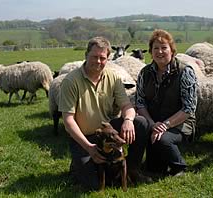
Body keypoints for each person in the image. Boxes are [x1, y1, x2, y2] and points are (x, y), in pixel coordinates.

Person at [58, 36, 151, 190]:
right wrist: (89, 147)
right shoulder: (71, 81)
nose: (98, 61)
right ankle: (78, 165)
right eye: (94, 57)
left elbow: (127, 105)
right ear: (86, 55)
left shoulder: (112, 77)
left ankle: (132, 168)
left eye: (103, 58)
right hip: (84, 137)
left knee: (140, 123)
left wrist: (128, 120)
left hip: (108, 131)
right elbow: (68, 121)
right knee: (94, 185)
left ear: (108, 58)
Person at [135, 29, 198, 177]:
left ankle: (179, 167)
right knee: (153, 168)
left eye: (164, 48)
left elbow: (189, 107)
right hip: (154, 122)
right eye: (156, 48)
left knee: (162, 140)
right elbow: (140, 102)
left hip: (180, 123)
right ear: (151, 51)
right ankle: (136, 166)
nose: (160, 52)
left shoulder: (184, 71)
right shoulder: (145, 73)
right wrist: (152, 124)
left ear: (172, 50)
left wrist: (165, 125)